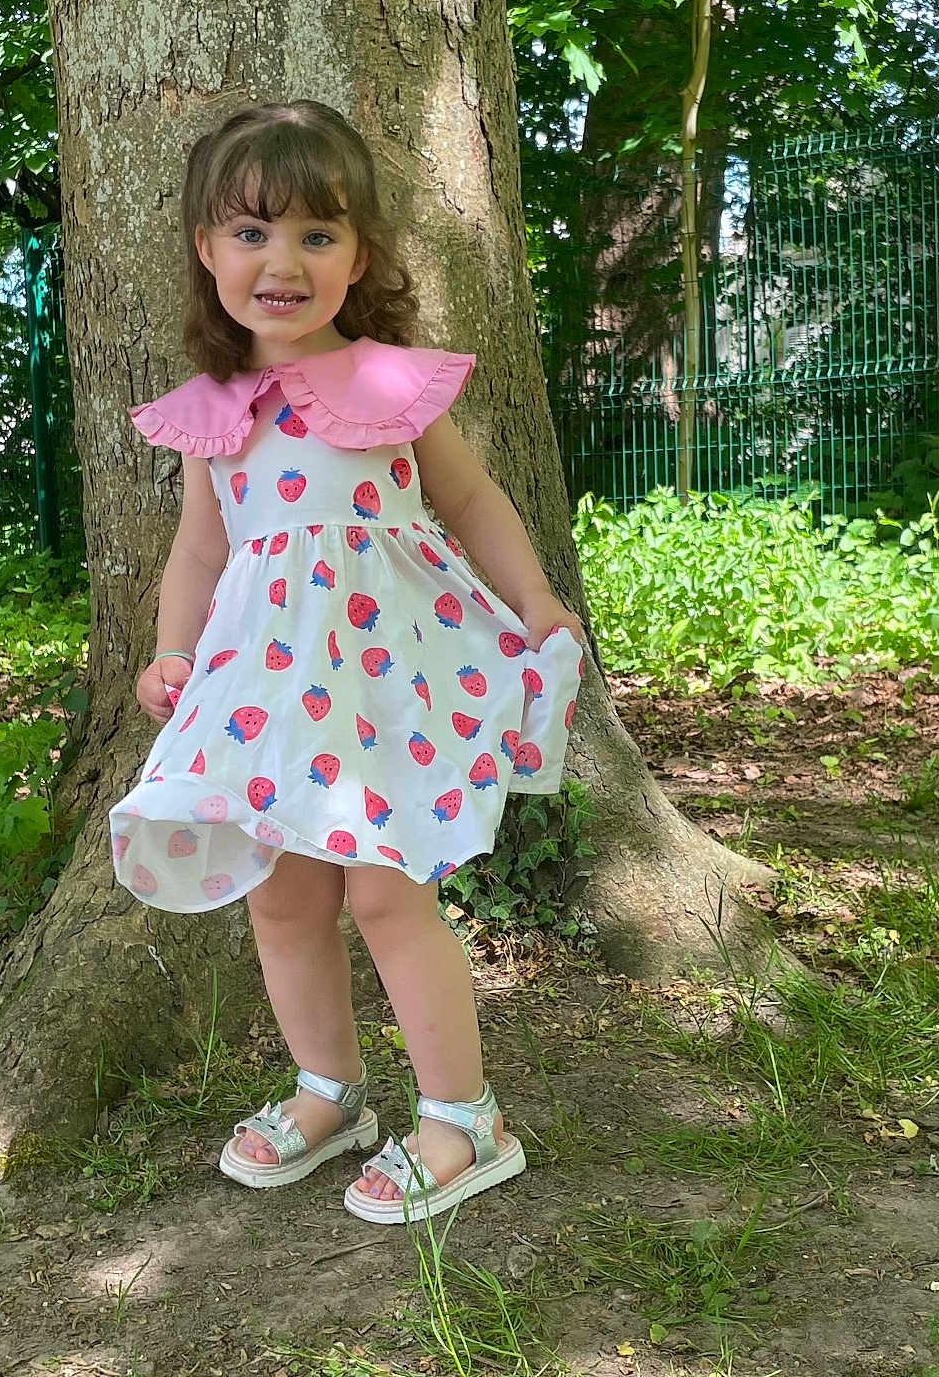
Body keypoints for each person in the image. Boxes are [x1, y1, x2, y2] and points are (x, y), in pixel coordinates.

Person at [107, 100, 586, 1225]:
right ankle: (330, 1089)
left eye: (319, 236)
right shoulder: (212, 412)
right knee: (283, 902)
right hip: (267, 698)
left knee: (384, 895)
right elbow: (198, 547)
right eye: (253, 233)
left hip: (390, 687)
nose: (284, 262)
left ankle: (466, 1116)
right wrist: (172, 651)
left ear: (359, 256)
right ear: (206, 250)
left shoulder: (388, 382)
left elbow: (469, 500)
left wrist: (536, 598)